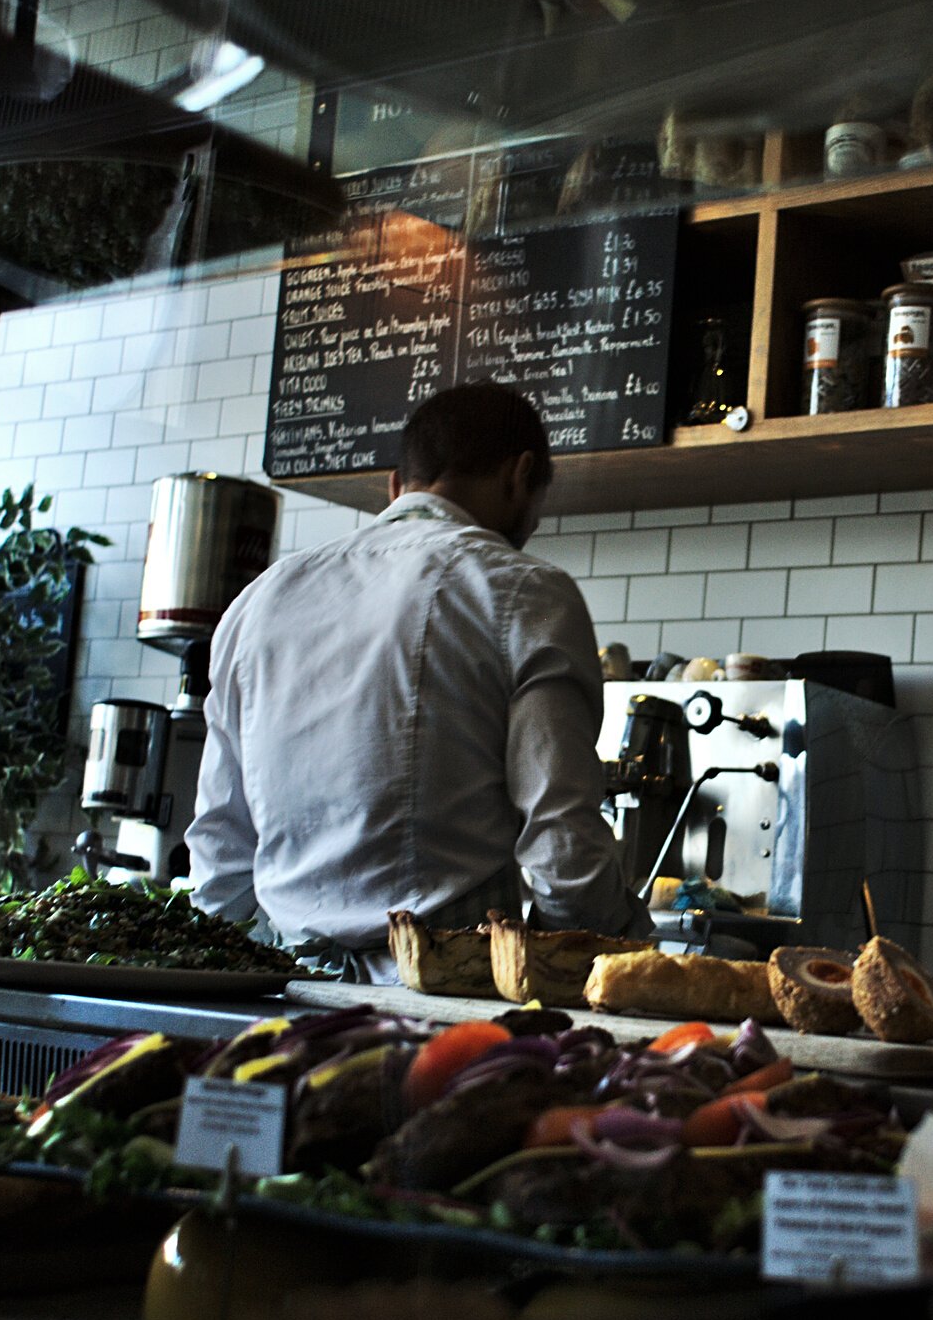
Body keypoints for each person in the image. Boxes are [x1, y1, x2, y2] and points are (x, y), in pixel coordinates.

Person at [187, 380, 650, 979]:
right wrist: (618, 949)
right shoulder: (525, 591)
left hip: (286, 992)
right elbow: (562, 844)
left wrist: (224, 980)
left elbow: (221, 843)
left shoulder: (260, 600)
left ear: (395, 485)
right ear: (520, 476)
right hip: (447, 1002)